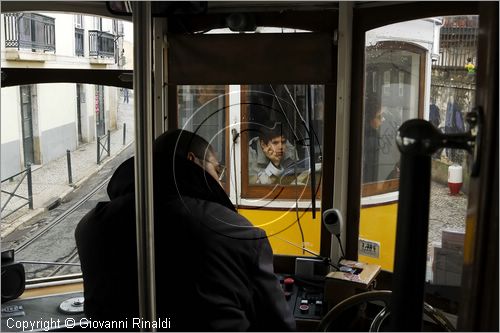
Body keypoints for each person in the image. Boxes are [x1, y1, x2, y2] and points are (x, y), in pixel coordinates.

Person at [75, 129, 295, 331]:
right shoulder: (237, 232)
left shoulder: (89, 226)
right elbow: (278, 325)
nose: (219, 180)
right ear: (192, 161)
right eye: (217, 169)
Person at [362, 96, 384, 184]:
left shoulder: (372, 135)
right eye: (379, 117)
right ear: (370, 119)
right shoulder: (370, 138)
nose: (382, 119)